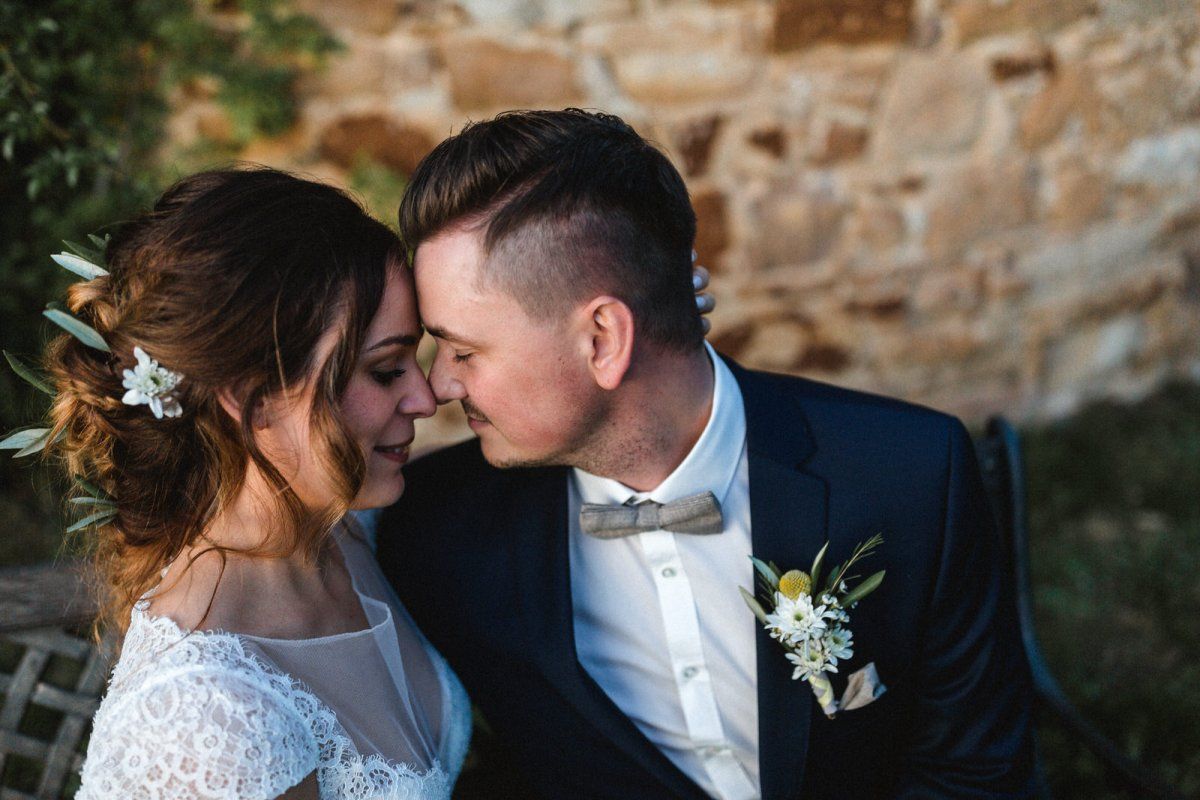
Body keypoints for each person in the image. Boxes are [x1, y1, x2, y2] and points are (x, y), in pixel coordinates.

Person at [378, 109, 1036, 799]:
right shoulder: (442, 529)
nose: (439, 385)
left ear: (603, 339)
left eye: (464, 349)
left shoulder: (909, 475)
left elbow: (976, 773)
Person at [28, 168, 472, 799]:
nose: (425, 398)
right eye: (385, 370)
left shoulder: (346, 531)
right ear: (253, 400)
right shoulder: (207, 724)